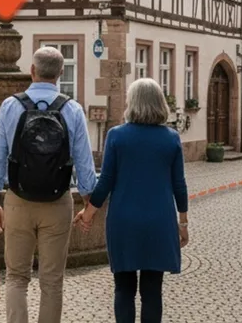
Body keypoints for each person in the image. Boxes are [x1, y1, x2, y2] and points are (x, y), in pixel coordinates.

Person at [0, 46, 97, 323]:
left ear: (32, 71)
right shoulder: (72, 109)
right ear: (61, 73)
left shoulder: (10, 106)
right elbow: (85, 167)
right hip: (58, 202)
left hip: (18, 201)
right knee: (52, 281)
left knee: (16, 278)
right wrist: (88, 206)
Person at [74, 78, 189, 323]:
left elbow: (105, 181)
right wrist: (184, 223)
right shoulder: (171, 138)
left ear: (132, 103)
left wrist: (88, 213)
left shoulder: (116, 136)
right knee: (152, 291)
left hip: (123, 221)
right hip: (159, 222)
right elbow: (179, 185)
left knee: (123, 288)